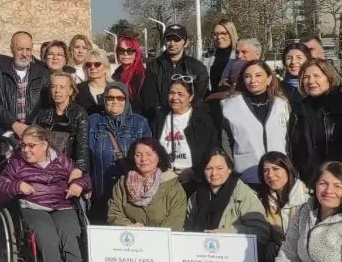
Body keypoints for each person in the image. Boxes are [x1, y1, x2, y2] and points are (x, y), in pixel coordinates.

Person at [0, 125, 93, 262]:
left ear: (44, 144)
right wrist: (17, 185)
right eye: (23, 145)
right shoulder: (16, 163)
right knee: (46, 233)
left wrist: (79, 184)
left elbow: (84, 178)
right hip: (33, 206)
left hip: (63, 204)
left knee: (70, 231)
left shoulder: (61, 160)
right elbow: (0, 188)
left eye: (31, 146)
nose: (26, 150)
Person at [186, 148, 272, 262]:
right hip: (204, 258)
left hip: (235, 261)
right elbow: (187, 227)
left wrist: (227, 233)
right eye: (209, 168)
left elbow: (262, 232)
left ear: (230, 169)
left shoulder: (243, 194)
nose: (214, 173)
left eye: (219, 168)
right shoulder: (196, 197)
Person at [109, 137, 187, 262]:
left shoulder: (173, 186)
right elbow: (114, 212)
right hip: (130, 249)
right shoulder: (123, 183)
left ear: (159, 156)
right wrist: (129, 226)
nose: (144, 159)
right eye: (138, 155)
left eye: (149, 154)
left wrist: (148, 238)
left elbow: (175, 222)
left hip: (161, 251)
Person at [220, 61, 294, 186]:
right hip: (247, 175)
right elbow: (226, 142)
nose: (253, 80)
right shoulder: (230, 106)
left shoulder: (282, 105)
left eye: (258, 75)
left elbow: (290, 139)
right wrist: (232, 169)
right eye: (247, 76)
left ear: (269, 78)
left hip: (280, 176)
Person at [88, 81, 151, 220]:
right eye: (110, 98)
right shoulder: (92, 122)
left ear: (127, 100)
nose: (115, 101)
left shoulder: (140, 123)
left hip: (129, 193)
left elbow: (148, 158)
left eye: (120, 98)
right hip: (98, 192)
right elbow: (85, 157)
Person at [290, 58, 342, 185]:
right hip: (308, 179)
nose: (311, 81)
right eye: (306, 77)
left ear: (329, 77)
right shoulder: (297, 109)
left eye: (317, 76)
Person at [0, 31, 49, 158]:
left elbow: (46, 105)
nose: (24, 53)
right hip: (7, 139)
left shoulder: (42, 73)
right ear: (12, 49)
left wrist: (31, 129)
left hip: (34, 140)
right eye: (20, 49)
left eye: (28, 49)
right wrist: (13, 123)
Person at [150, 78, 217, 183]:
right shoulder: (159, 118)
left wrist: (195, 172)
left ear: (190, 97)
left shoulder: (203, 120)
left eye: (180, 94)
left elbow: (211, 151)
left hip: (193, 179)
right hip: (164, 178)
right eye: (171, 93)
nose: (174, 98)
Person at [141, 24, 209, 122]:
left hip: (187, 122)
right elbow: (149, 101)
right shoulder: (152, 67)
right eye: (169, 39)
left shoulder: (197, 68)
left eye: (177, 40)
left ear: (185, 42)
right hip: (160, 122)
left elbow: (199, 99)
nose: (172, 43)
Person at [257, 152, 311, 261]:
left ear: (288, 169)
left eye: (275, 169)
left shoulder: (307, 199)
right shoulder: (263, 201)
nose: (270, 175)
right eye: (266, 171)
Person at [34, 71, 90, 177]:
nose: (57, 91)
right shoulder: (43, 113)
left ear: (70, 90)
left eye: (62, 87)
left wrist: (79, 169)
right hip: (44, 167)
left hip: (68, 167)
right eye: (54, 87)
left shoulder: (79, 113)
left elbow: (82, 144)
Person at [111, 36, 146, 114]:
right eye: (121, 50)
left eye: (130, 51)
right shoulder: (116, 74)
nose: (125, 54)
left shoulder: (142, 75)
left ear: (136, 53)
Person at [204, 18, 240, 91]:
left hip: (233, 99)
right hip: (210, 100)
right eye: (215, 34)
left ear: (231, 34)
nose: (219, 37)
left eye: (223, 33)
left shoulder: (240, 56)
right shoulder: (206, 57)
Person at [75, 47, 110, 115]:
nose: (92, 67)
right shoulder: (78, 89)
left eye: (97, 64)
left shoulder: (114, 88)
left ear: (106, 68)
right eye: (89, 65)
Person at [281, 42, 310, 111]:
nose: (293, 62)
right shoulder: (277, 89)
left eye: (299, 57)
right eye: (289, 58)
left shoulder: (315, 86)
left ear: (308, 60)